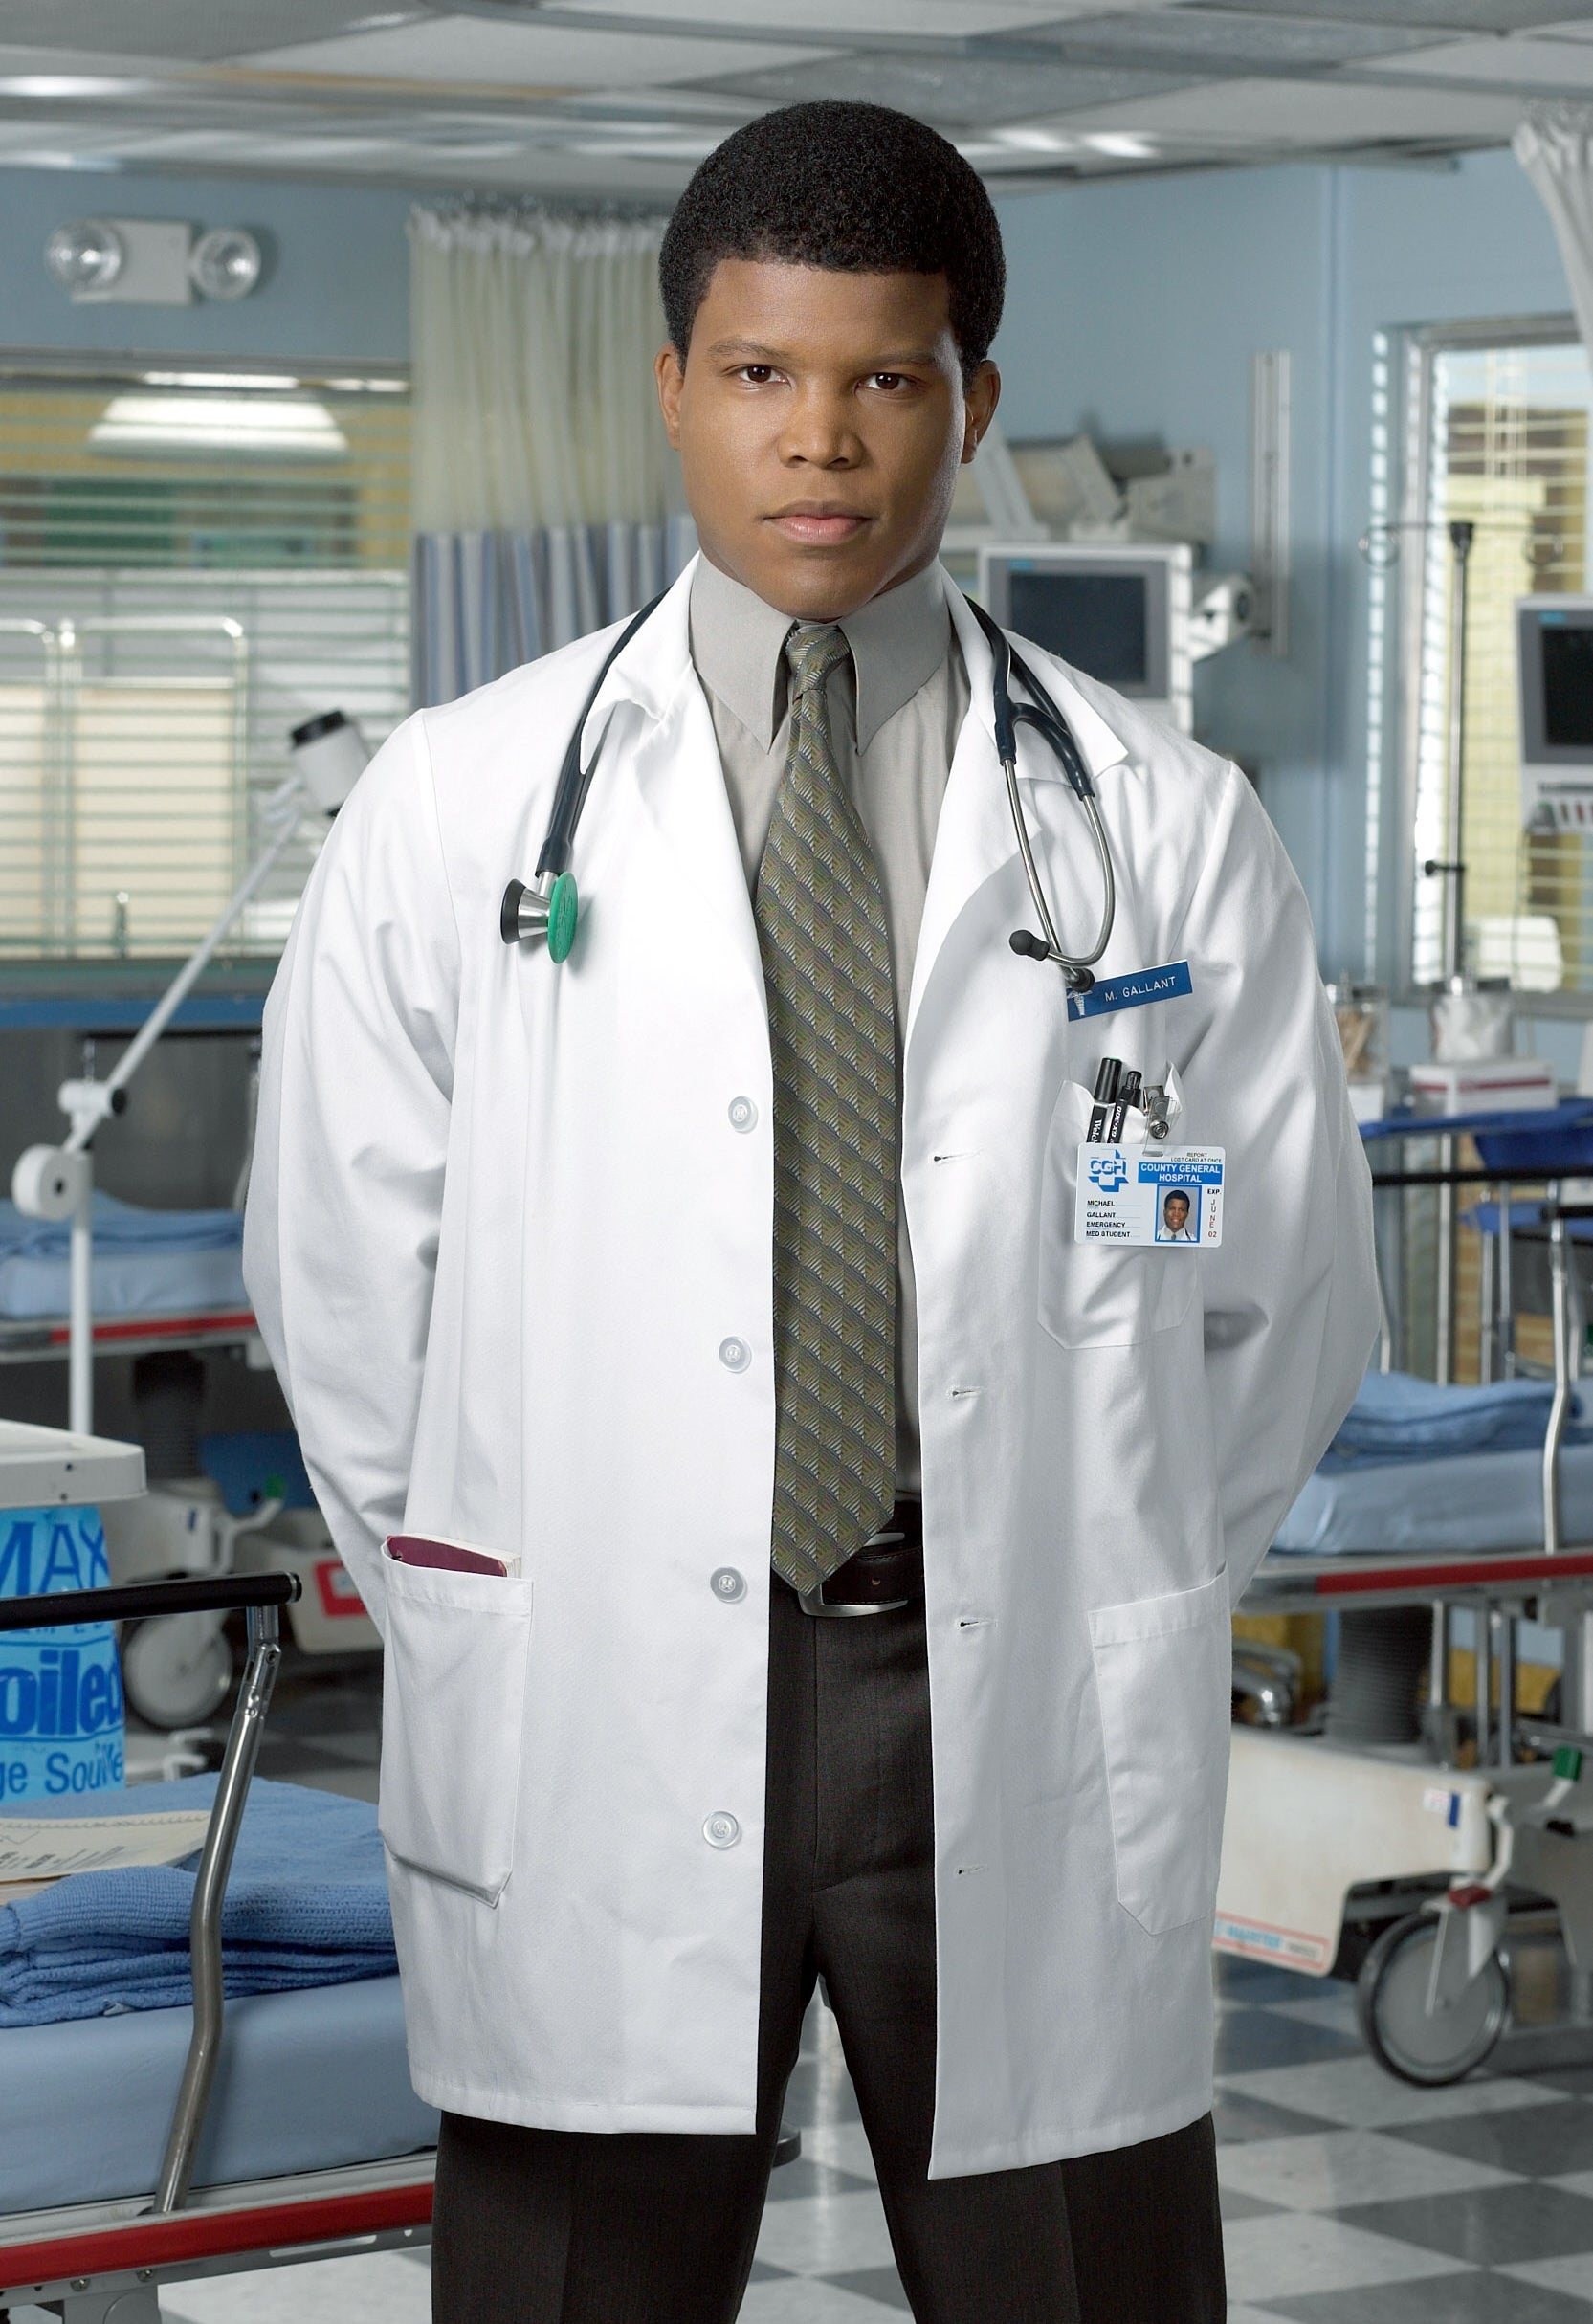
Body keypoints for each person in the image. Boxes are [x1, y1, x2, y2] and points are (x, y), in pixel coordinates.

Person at [244, 100, 1378, 2324]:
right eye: (760, 374)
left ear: (967, 397)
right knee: (579, 2284)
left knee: (1077, 2280)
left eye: (880, 377)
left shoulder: (1158, 819)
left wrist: (1098, 1560)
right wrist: (493, 1589)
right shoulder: (461, 805)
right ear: (670, 386)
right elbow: (342, 1293)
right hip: (599, 1693)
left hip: (1014, 1677)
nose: (820, 443)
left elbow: (1273, 1301)